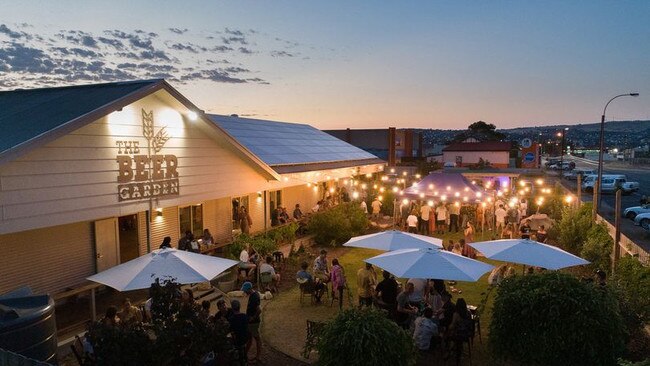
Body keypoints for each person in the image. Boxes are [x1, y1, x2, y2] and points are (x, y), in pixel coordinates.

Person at [448, 298, 474, 363]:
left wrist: (448, 327)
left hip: (459, 335)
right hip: (467, 333)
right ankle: (456, 348)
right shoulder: (468, 313)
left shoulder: (456, 314)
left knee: (448, 334)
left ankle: (450, 350)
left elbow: (452, 326)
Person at [241, 281, 262, 363]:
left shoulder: (254, 296)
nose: (244, 292)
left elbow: (259, 310)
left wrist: (253, 318)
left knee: (257, 338)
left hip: (254, 323)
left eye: (245, 290)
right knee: (249, 338)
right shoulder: (252, 295)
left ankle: (258, 357)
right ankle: (244, 354)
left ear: (249, 289)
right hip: (250, 322)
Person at [228, 299, 249, 365]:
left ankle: (241, 361)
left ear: (232, 308)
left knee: (240, 353)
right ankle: (245, 360)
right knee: (244, 349)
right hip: (245, 338)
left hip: (238, 340)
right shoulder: (245, 316)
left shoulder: (231, 319)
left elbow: (231, 331)